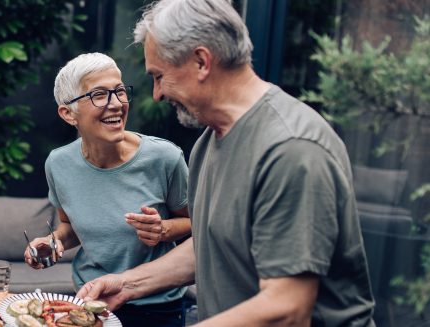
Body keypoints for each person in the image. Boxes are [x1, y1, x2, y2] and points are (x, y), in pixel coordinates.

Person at [75, 0, 376, 326]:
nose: (157, 93)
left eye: (159, 76)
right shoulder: (209, 142)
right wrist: (128, 284)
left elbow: (287, 309)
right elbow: (211, 248)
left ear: (201, 61)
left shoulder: (291, 150)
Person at [24, 52, 193, 327]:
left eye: (119, 91)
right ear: (69, 113)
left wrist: (163, 230)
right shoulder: (58, 163)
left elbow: (197, 223)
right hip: (90, 304)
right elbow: (69, 227)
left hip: (157, 307)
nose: (116, 104)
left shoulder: (164, 158)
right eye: (99, 95)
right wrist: (53, 242)